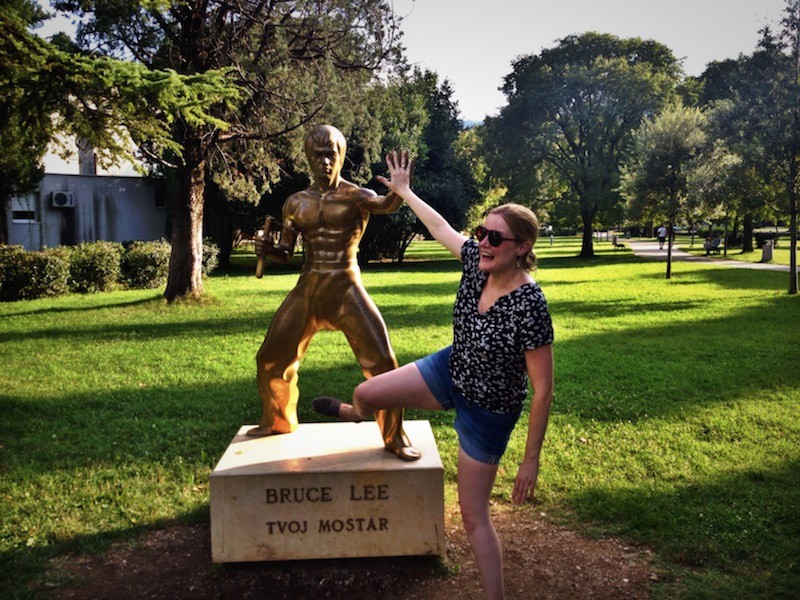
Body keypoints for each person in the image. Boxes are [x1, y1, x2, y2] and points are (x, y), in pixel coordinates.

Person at [313, 150, 555, 600]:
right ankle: (355, 413)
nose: (483, 242)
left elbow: (543, 391)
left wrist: (530, 459)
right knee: (366, 391)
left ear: (522, 248)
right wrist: (404, 192)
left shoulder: (530, 305)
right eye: (482, 232)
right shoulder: (474, 262)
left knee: (473, 515)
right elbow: (441, 227)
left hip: (488, 411)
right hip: (450, 368)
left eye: (495, 238)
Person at [249, 125, 420, 462]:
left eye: (331, 154)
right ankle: (278, 420)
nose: (325, 161)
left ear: (342, 156)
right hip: (309, 287)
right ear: (308, 158)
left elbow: (386, 205)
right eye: (318, 155)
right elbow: (287, 252)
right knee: (269, 359)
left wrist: (400, 190)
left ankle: (395, 436)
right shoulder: (296, 203)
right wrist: (267, 249)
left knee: (384, 364)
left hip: (345, 286)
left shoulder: (356, 196)